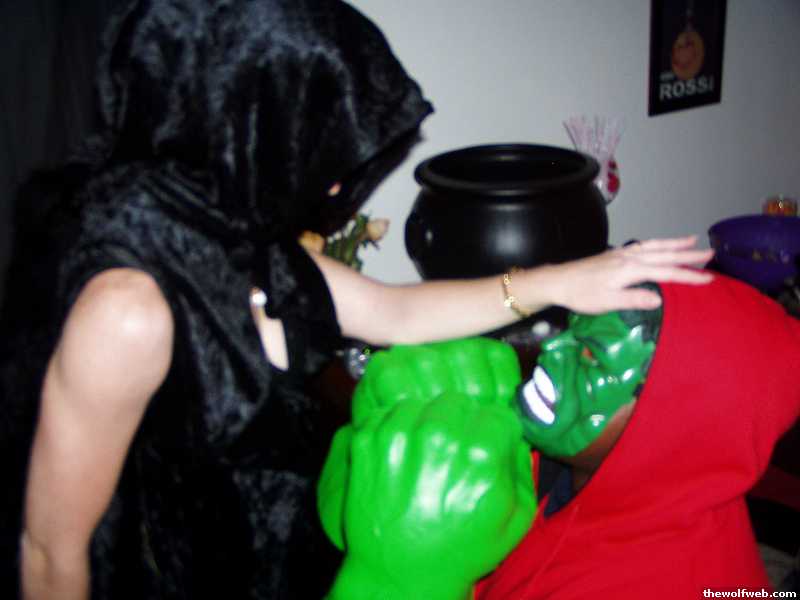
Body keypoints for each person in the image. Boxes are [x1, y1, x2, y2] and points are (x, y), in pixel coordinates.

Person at [0, 0, 713, 598]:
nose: (339, 185)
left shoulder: (238, 237)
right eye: (322, 149)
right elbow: (49, 552)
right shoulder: (127, 308)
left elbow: (395, 312)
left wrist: (560, 279)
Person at [322, 273, 800, 599]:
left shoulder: (667, 583)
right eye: (573, 326)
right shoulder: (568, 464)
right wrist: (382, 444)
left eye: (591, 356)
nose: (551, 348)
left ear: (671, 427)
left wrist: (400, 579)